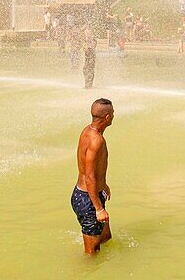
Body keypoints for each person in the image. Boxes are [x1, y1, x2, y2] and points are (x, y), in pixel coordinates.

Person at [71, 98, 115, 254]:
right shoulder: (97, 141)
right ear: (107, 117)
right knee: (92, 254)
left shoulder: (88, 131)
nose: (114, 114)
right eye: (113, 112)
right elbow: (89, 176)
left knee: (106, 238)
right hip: (87, 199)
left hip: (89, 194)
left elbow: (91, 168)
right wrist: (98, 209)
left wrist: (104, 185)